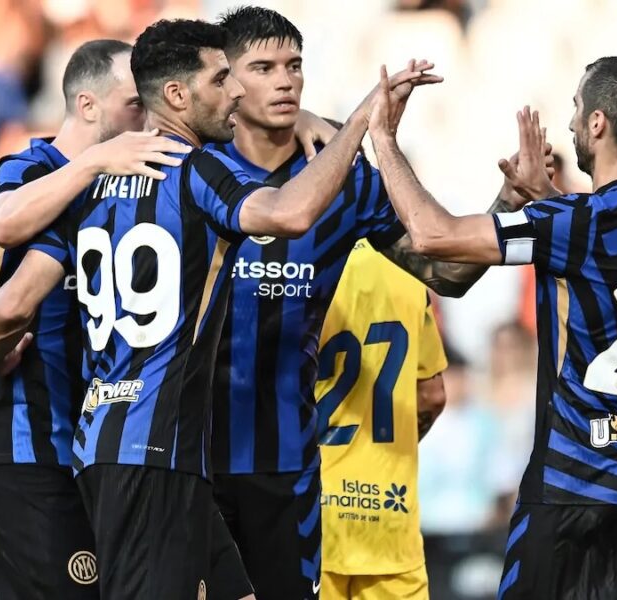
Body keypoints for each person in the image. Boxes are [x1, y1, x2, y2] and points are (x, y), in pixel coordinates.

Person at [0, 18, 433, 599]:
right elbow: (288, 213)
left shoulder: (84, 187)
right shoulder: (195, 169)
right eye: (221, 80)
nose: (235, 92)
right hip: (148, 446)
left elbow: (11, 302)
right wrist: (360, 122)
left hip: (112, 441)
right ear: (178, 96)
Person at [210, 8, 543, 597]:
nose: (285, 81)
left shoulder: (348, 184)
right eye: (264, 68)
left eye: (294, 66)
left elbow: (446, 273)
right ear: (226, 81)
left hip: (289, 475)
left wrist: (506, 205)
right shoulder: (194, 169)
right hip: (199, 462)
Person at [365, 56, 617, 598]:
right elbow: (605, 247)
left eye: (576, 108)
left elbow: (434, 236)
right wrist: (544, 195)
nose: (571, 123)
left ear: (598, 122)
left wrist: (384, 139)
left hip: (574, 487)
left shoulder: (573, 223)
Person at [0, 39, 189, 600]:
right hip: (23, 445)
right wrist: (92, 163)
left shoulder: (131, 187)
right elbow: (3, 222)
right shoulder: (27, 168)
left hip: (95, 451)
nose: (146, 117)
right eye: (134, 103)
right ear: (88, 105)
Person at [315, 238, 448, 600]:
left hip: (311, 516)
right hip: (390, 516)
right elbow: (432, 395)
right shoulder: (406, 265)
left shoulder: (302, 258)